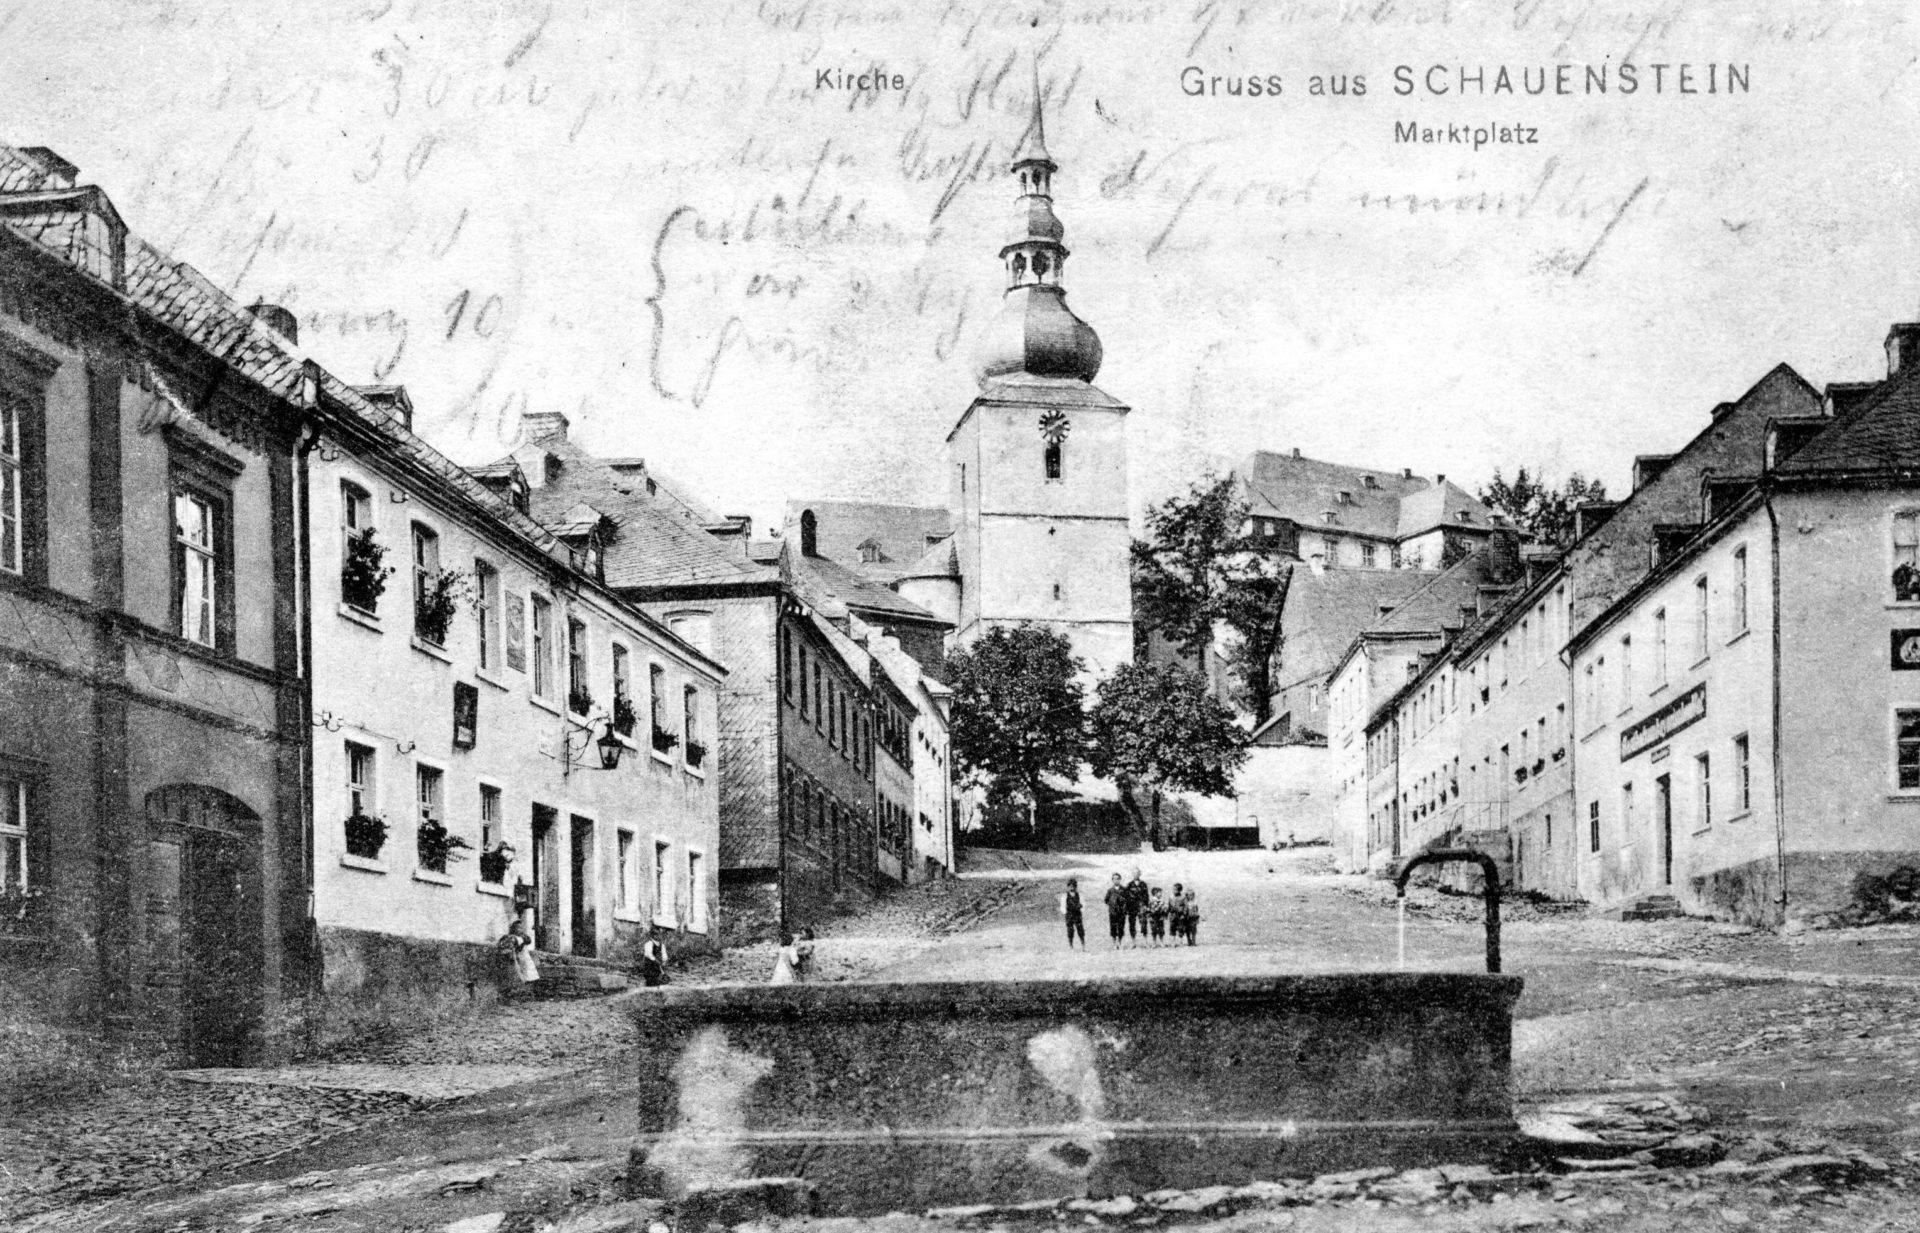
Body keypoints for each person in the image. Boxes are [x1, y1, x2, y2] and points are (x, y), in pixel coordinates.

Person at [499, 917, 540, 998]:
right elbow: (518, 948)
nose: (520, 930)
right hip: (520, 957)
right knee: (522, 973)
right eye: (518, 928)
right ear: (514, 929)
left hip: (526, 957)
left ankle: (529, 991)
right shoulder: (514, 938)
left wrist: (524, 940)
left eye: (521, 928)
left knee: (530, 972)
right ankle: (521, 991)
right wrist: (521, 943)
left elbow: (528, 940)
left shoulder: (522, 937)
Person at [1124, 868, 1149, 946]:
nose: (1136, 875)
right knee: (1132, 924)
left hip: (1141, 906)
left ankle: (1145, 942)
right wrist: (1127, 908)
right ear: (1132, 874)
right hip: (1132, 907)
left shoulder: (1143, 884)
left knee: (1143, 923)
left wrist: (1146, 906)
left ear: (1140, 874)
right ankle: (1133, 942)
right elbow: (1126, 897)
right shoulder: (1129, 885)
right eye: (1134, 873)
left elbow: (1146, 896)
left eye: (1137, 873)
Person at [1102, 872, 1128, 949]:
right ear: (1112, 880)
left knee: (1121, 927)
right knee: (1113, 927)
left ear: (1120, 880)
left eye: (1117, 879)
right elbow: (1106, 900)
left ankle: (1120, 943)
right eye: (1114, 879)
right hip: (1113, 912)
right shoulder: (1110, 890)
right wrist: (1112, 905)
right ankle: (1114, 943)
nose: (1116, 880)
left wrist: (1123, 907)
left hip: (1121, 912)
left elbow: (1127, 900)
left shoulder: (1124, 890)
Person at [1063, 878, 1086, 949]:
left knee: (1080, 929)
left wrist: (1080, 909)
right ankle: (1071, 945)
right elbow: (1063, 905)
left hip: (1077, 914)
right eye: (1070, 886)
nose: (1072, 887)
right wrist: (1065, 912)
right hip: (1069, 915)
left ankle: (1083, 944)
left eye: (1073, 886)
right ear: (1068, 887)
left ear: (1076, 887)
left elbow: (1083, 904)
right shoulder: (1065, 896)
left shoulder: (1079, 895)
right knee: (1070, 930)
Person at [1168, 882, 1188, 946]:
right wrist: (1169, 913)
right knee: (1172, 928)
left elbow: (1186, 906)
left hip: (1180, 915)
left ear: (1179, 890)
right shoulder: (1171, 897)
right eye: (1173, 889)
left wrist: (1184, 914)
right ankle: (1173, 942)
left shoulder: (1183, 897)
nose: (1174, 891)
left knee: (1180, 928)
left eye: (1175, 890)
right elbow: (1169, 906)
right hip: (1173, 915)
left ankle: (1180, 942)